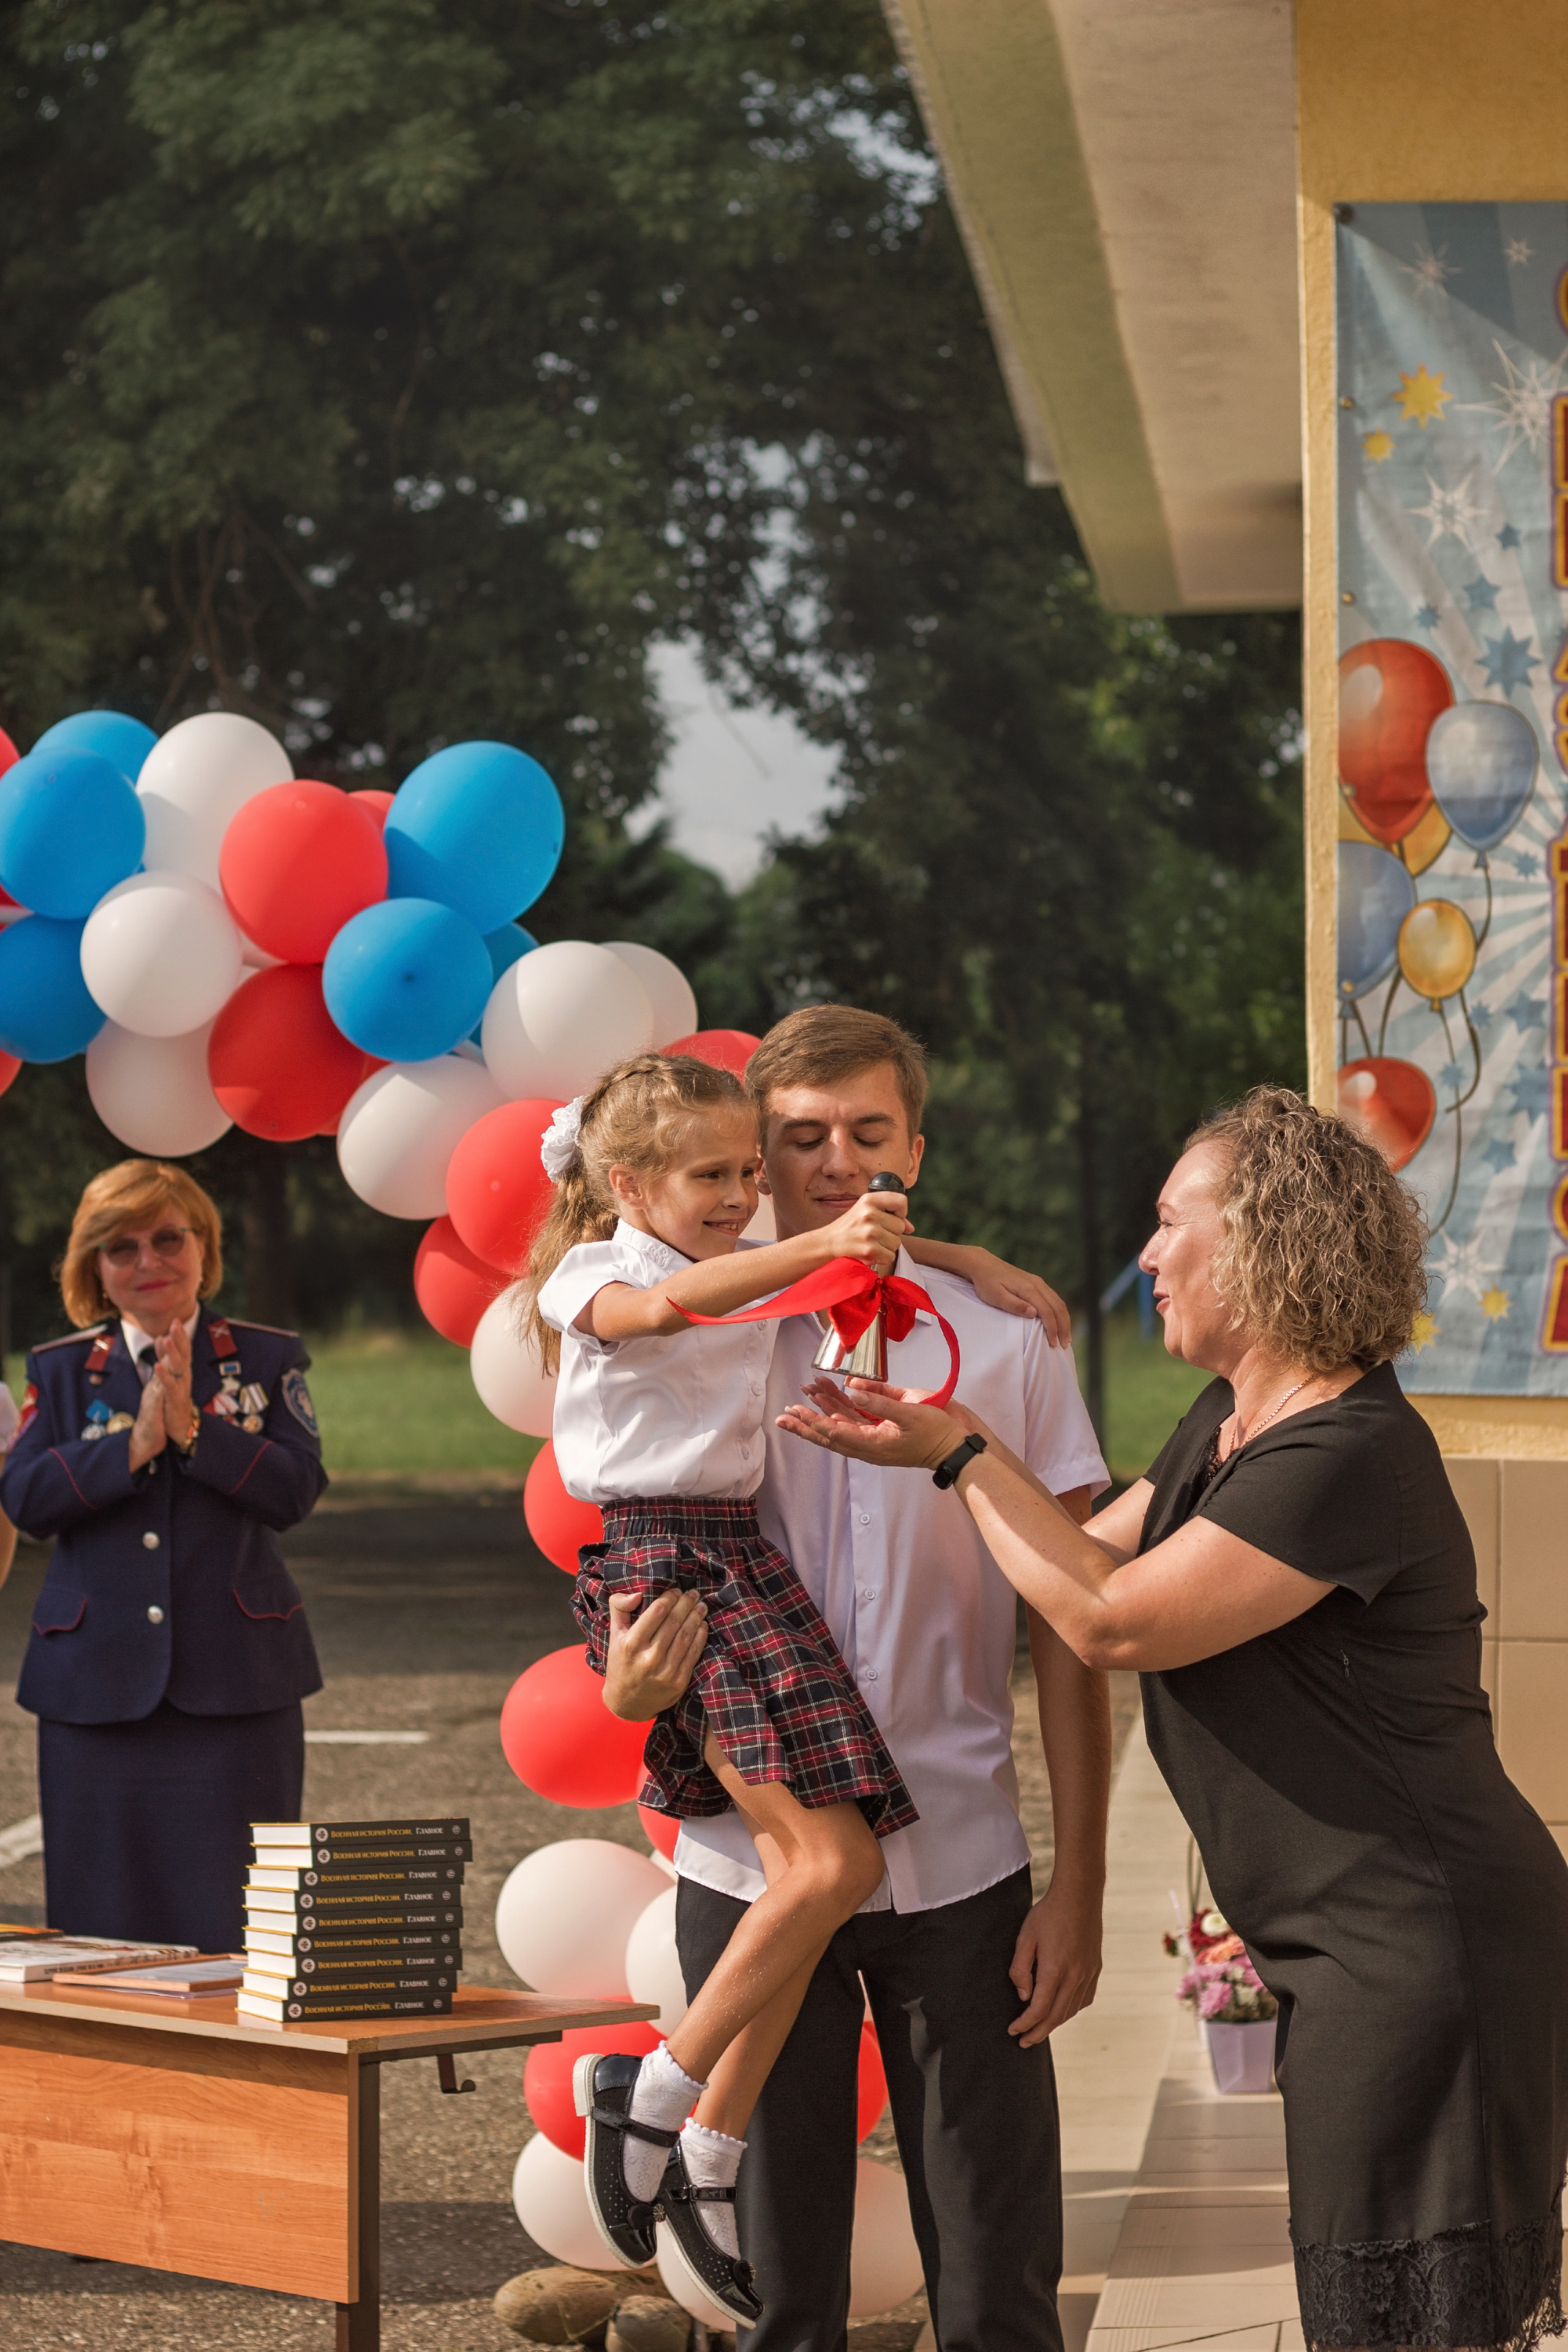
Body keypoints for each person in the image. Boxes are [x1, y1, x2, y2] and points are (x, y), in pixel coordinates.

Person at [781, 1084, 1568, 2352]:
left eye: (1166, 1222)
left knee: (1415, 2316)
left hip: (1426, 1949)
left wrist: (966, 1445)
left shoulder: (1346, 1452)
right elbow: (1051, 1566)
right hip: (1347, 1955)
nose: (1143, 1256)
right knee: (1365, 2308)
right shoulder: (1232, 1424)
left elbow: (1110, 1619)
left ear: (1262, 1242)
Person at [604, 1005, 1111, 2352]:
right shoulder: (719, 1328)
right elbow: (633, 1535)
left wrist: (1082, 1880)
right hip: (754, 1858)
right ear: (752, 1162)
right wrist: (628, 1690)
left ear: (914, 1148)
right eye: (800, 1139)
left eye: (868, 1135)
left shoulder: (1008, 1339)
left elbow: (1073, 1621)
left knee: (999, 2270)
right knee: (774, 2277)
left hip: (962, 1854)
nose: (836, 1161)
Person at [532, 1049, 1028, 2324]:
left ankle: (701, 2135)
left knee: (830, 1870)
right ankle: (656, 2092)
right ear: (626, 1183)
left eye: (745, 1174)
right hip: (672, 1559)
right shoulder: (605, 1273)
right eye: (717, 1172)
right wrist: (841, 1238)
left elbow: (827, 1267)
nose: (745, 1192)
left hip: (732, 1557)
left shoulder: (753, 1279)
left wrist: (963, 1263)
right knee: (824, 1872)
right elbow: (677, 1307)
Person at [2, 1159, 327, 1956]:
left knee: (237, 1930)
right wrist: (134, 1446)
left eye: (167, 1239)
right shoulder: (59, 1370)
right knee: (99, 1932)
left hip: (238, 1691)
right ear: (95, 1271)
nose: (148, 1262)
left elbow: (294, 1492)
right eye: (121, 1248)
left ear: (203, 1248)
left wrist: (193, 1433)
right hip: (92, 1696)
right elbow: (26, 1499)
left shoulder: (264, 1359)